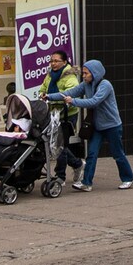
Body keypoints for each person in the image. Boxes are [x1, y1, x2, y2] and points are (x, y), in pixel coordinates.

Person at [49, 59, 133, 191]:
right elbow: (69, 93)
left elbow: (94, 102)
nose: (83, 76)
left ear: (95, 73)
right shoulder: (86, 84)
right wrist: (49, 96)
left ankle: (129, 178)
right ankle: (86, 183)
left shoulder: (105, 85)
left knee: (117, 154)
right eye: (83, 73)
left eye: (86, 73)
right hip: (97, 126)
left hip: (111, 125)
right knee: (92, 154)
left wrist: (73, 101)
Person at [39, 50, 85, 181]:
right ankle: (77, 164)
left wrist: (50, 97)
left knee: (60, 144)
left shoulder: (70, 77)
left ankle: (60, 176)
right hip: (52, 114)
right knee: (55, 144)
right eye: (51, 61)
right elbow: (43, 88)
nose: (53, 63)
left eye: (56, 61)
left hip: (67, 115)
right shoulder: (50, 75)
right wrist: (42, 94)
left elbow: (69, 94)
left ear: (64, 62)